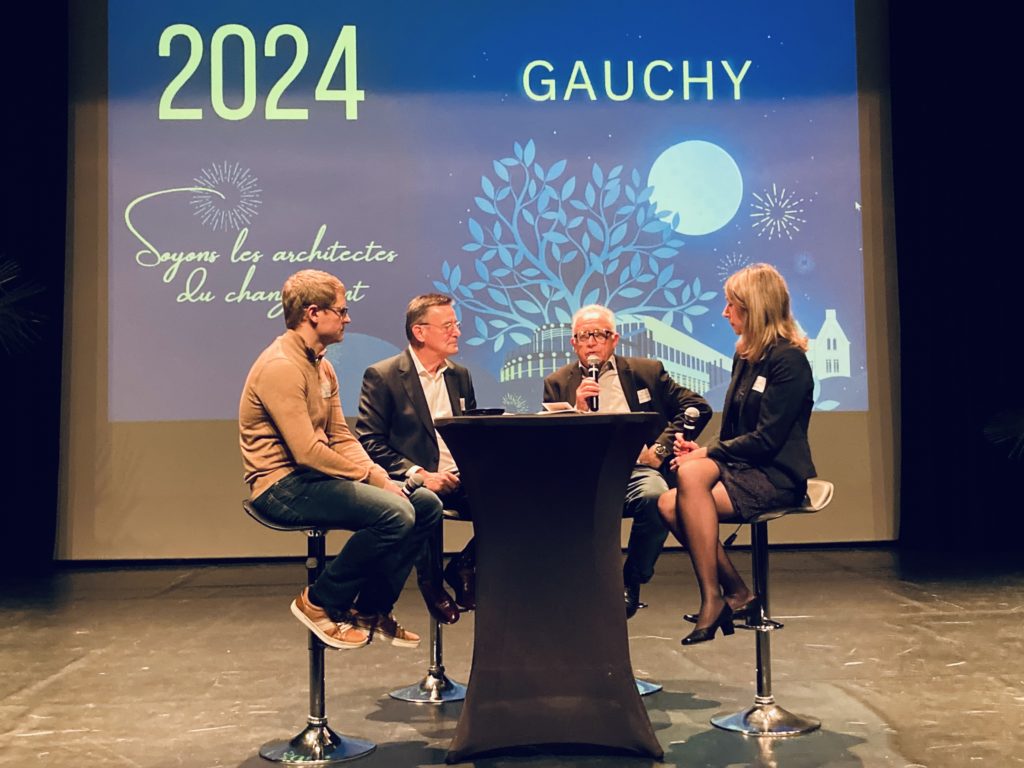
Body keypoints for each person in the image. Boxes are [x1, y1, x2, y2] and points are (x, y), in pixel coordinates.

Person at [239, 269, 440, 650]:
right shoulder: (281, 366)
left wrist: (381, 477)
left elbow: (340, 436)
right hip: (281, 486)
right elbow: (307, 452)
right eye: (341, 310)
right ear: (313, 313)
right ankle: (319, 602)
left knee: (424, 504)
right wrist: (372, 479)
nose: (347, 318)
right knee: (395, 513)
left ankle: (371, 608)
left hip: (314, 479)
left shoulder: (321, 364)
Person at [658, 263, 816, 645]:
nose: (725, 312)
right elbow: (734, 432)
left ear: (754, 307)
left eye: (732, 304)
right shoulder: (745, 356)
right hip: (744, 468)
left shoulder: (789, 361)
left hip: (776, 474)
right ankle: (736, 593)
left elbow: (767, 440)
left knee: (689, 478)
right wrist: (701, 450)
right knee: (666, 502)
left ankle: (714, 598)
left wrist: (706, 454)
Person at [543, 304, 712, 618]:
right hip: (583, 473)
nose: (592, 343)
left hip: (636, 470)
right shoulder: (558, 382)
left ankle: (632, 578)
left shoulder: (646, 372)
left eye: (599, 335)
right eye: (584, 336)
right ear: (573, 343)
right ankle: (563, 591)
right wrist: (577, 410)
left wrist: (659, 450)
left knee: (657, 497)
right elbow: (554, 444)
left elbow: (697, 406)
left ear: (614, 339)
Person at [356, 294, 477, 625]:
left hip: (459, 475)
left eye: (456, 324)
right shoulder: (384, 376)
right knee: (426, 501)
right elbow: (370, 441)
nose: (457, 332)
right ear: (420, 332)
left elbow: (468, 432)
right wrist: (420, 472)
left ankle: (465, 564)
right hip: (415, 479)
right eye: (448, 326)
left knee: (513, 497)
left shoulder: (460, 375)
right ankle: (431, 582)